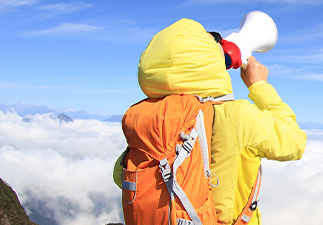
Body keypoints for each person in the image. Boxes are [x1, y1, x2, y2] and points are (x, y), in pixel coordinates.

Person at [113, 18, 306, 225]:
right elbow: (296, 143)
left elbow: (121, 176)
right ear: (209, 63)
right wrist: (259, 86)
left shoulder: (151, 115)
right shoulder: (239, 115)